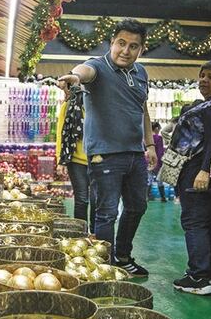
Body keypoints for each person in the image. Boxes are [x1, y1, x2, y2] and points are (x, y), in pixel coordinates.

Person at [57, 19, 158, 276]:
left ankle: (122, 256)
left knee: (137, 207)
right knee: (107, 213)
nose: (126, 50)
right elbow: (84, 71)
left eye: (133, 46)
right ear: (112, 43)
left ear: (141, 49)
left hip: (136, 155)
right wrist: (75, 77)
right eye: (121, 43)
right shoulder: (98, 67)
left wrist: (150, 144)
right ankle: (103, 266)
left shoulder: (141, 73)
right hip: (105, 155)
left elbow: (143, 110)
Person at [170, 60, 211, 295]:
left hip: (198, 172)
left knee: (195, 222)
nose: (204, 80)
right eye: (202, 75)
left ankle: (198, 277)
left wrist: (204, 170)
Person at [55, 85, 90, 225]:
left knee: (97, 200)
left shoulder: (101, 105)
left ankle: (95, 235)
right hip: (76, 160)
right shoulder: (68, 105)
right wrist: (60, 159)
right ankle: (80, 233)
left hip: (99, 159)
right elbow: (60, 133)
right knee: (82, 199)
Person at [148, 122, 167, 202]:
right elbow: (160, 151)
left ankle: (146, 197)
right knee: (160, 180)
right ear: (156, 129)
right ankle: (163, 197)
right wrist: (161, 162)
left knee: (149, 180)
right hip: (157, 162)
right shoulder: (158, 138)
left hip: (147, 161)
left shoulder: (146, 138)